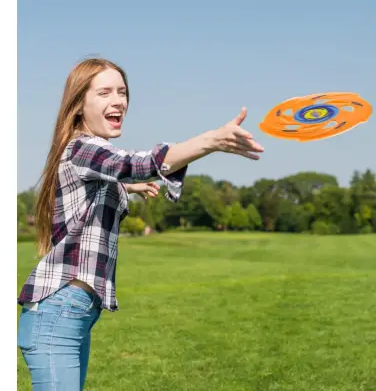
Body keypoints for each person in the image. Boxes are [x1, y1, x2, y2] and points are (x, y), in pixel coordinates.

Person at [17, 57, 264, 390]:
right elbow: (137, 163)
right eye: (104, 92)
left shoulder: (87, 155)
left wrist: (125, 186)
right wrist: (211, 141)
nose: (118, 100)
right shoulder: (82, 148)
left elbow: (112, 175)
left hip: (70, 313)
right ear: (78, 105)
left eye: (122, 92)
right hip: (58, 313)